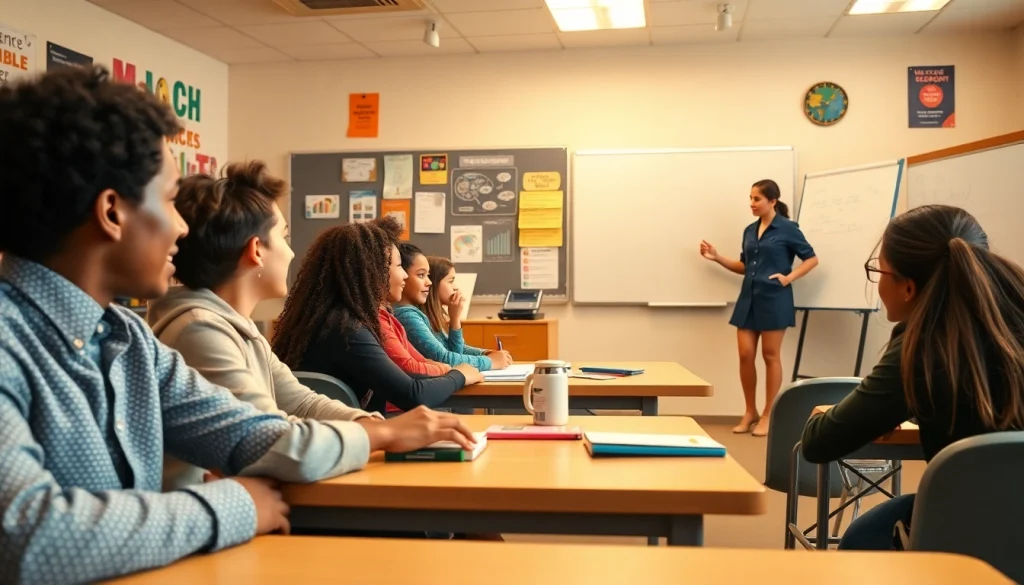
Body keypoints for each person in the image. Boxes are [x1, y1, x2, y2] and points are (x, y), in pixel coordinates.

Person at [0, 66, 475, 584]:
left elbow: (257, 437)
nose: (181, 226)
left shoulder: (126, 338)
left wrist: (380, 435)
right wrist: (228, 506)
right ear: (112, 212)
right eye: (165, 200)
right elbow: (29, 536)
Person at [147, 161, 384, 490]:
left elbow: (301, 402)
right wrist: (380, 434)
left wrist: (367, 423)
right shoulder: (198, 330)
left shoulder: (236, 324)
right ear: (256, 250)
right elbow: (274, 442)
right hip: (216, 517)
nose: (290, 252)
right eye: (284, 237)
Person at [802, 204, 1024, 550]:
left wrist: (897, 404)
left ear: (908, 288)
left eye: (880, 271)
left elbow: (818, 442)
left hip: (973, 528)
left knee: (860, 542)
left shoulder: (923, 348)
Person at [272, 219, 482, 414]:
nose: (405, 276)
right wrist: (460, 375)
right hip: (344, 442)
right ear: (373, 271)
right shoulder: (347, 329)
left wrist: (448, 371)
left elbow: (411, 375)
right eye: (399, 266)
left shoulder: (341, 319)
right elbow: (412, 394)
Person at [700, 179, 818, 437]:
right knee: (745, 355)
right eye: (750, 198)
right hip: (749, 298)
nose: (752, 204)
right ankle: (750, 411)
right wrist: (717, 257)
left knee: (770, 355)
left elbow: (811, 258)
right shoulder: (749, 231)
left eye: (757, 199)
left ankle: (768, 414)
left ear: (772, 201)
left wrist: (789, 277)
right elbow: (745, 266)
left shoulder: (788, 228)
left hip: (775, 298)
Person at [394, 248, 512, 370]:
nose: (429, 282)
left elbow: (454, 351)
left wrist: (485, 353)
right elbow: (446, 358)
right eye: (421, 275)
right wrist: (490, 361)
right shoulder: (407, 316)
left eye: (428, 276)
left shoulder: (420, 314)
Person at [377, 242, 451, 378]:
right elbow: (411, 369)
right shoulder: (404, 316)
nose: (404, 275)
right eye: (399, 266)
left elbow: (420, 361)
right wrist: (457, 374)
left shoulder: (388, 316)